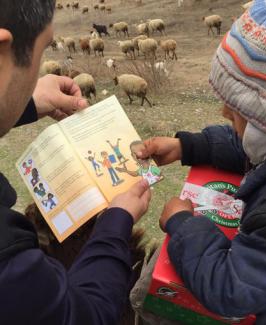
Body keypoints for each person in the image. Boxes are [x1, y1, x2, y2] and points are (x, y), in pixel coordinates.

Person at [134, 1, 266, 324]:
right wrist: (187, 146)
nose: (224, 113)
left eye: (236, 110)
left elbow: (231, 289)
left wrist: (182, 225)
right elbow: (251, 148)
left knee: (150, 300)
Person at [0, 1, 151, 324]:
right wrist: (115, 224)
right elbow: (81, 315)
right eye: (42, 52)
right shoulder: (7, 261)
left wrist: (24, 104)